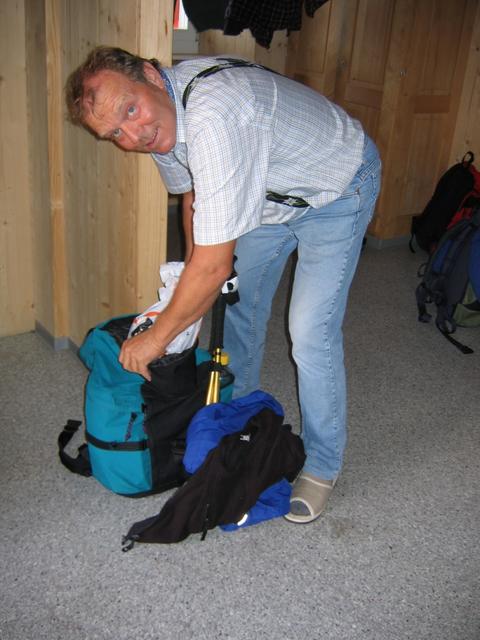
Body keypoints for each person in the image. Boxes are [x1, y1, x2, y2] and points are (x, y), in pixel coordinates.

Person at [65, 46, 381, 524]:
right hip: (269, 199)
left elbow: (212, 269)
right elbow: (193, 199)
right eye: (115, 134)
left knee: (309, 332)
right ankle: (236, 417)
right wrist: (187, 284)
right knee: (239, 305)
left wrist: (158, 337)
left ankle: (322, 464)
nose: (133, 136)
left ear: (151, 75)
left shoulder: (216, 113)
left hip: (337, 185)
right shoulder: (162, 123)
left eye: (129, 110)